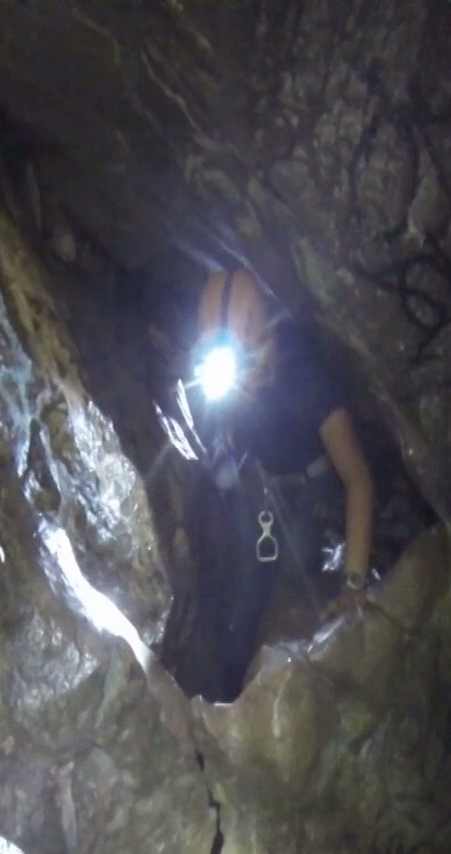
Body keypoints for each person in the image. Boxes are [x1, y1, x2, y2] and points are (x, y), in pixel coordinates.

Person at [181, 266, 376, 701]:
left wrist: (354, 585)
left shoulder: (306, 377)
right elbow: (227, 428)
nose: (230, 376)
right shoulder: (224, 376)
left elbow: (359, 479)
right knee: (247, 584)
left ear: (257, 334)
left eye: (233, 357)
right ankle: (229, 692)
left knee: (293, 570)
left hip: (313, 487)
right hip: (268, 485)